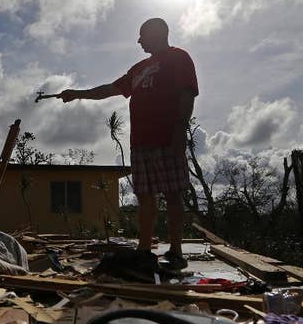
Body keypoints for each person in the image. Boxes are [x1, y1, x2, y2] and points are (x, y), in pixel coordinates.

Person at [58, 18, 198, 269]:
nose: (139, 41)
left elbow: (188, 92)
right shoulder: (139, 68)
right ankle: (144, 250)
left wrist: (180, 129)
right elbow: (110, 89)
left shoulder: (179, 58)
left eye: (142, 35)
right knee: (145, 196)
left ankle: (176, 251)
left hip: (167, 138)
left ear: (157, 33)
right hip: (140, 143)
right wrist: (78, 94)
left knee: (173, 193)